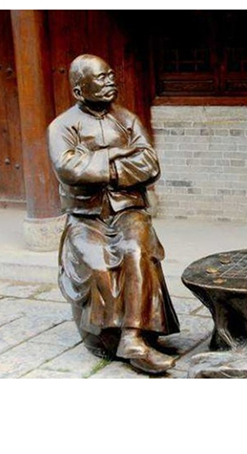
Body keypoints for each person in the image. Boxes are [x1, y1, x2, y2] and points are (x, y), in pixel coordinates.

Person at [48, 54, 180, 374]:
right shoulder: (62, 126)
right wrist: (118, 153)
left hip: (127, 209)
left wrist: (100, 165)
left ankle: (134, 337)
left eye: (110, 75)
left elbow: (149, 164)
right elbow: (69, 168)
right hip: (86, 216)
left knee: (136, 249)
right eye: (101, 78)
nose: (110, 82)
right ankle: (104, 338)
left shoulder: (127, 119)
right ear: (79, 90)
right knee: (97, 263)